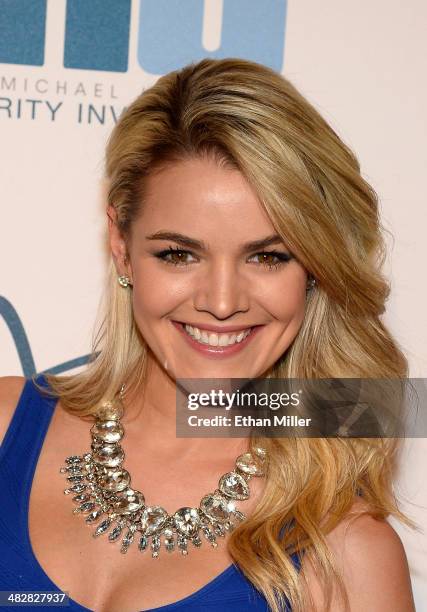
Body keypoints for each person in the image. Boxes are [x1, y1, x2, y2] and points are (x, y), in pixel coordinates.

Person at [0, 57, 416, 612]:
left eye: (268, 257)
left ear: (315, 268)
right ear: (121, 245)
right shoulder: (7, 426)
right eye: (178, 254)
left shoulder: (345, 555)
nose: (221, 303)